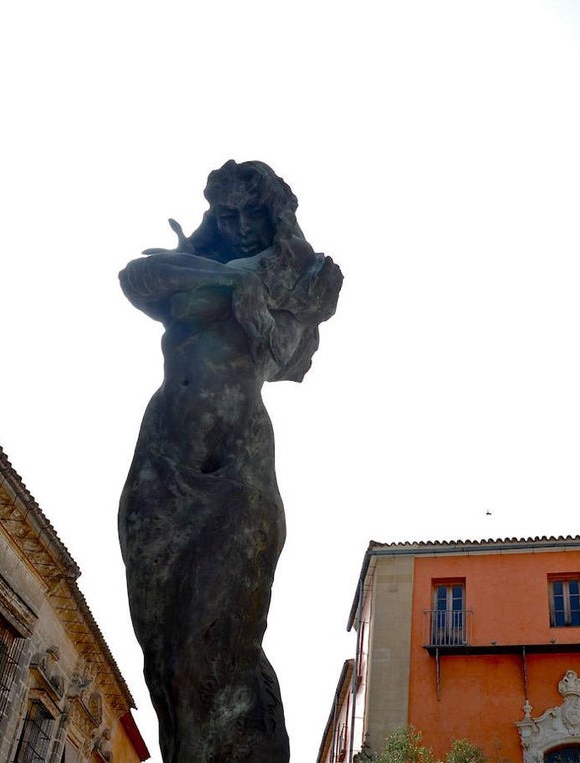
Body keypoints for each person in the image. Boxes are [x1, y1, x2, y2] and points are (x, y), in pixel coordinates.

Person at [119, 161, 341, 763]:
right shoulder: (201, 263)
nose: (241, 226)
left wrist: (219, 284)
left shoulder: (313, 276)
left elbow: (284, 346)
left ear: (277, 214)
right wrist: (231, 280)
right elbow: (138, 277)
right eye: (227, 215)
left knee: (217, 653)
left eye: (254, 214)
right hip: (161, 456)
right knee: (162, 655)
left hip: (236, 462)